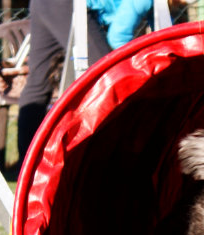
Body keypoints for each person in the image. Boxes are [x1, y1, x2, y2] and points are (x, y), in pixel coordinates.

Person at [16, 0, 156, 169]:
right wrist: (137, 69)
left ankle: (27, 168)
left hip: (43, 4)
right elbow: (118, 38)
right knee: (108, 75)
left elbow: (165, 31)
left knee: (38, 84)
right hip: (66, 4)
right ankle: (121, 160)